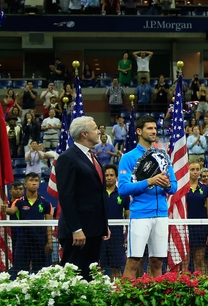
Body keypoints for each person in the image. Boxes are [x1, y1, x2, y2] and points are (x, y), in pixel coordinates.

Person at [118, 115, 178, 279]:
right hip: (140, 215)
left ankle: (156, 294)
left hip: (161, 215)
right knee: (134, 262)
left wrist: (167, 185)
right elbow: (123, 189)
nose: (154, 131)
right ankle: (125, 295)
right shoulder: (128, 157)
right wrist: (149, 181)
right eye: (149, 128)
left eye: (155, 128)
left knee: (157, 262)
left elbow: (174, 187)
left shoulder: (164, 156)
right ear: (139, 131)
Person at [55, 116, 110, 280]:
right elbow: (66, 197)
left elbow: (96, 194)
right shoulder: (67, 158)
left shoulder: (93, 157)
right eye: (95, 129)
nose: (99, 131)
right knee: (73, 279)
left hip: (94, 230)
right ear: (84, 134)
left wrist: (103, 224)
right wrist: (76, 229)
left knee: (90, 278)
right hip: (78, 233)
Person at [3, 173, 53, 278]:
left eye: (36, 181)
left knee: (41, 273)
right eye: (31, 180)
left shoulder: (46, 203)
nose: (34, 183)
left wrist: (49, 242)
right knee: (20, 273)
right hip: (23, 241)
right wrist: (5, 209)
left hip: (40, 241)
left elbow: (49, 224)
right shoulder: (19, 202)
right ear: (25, 184)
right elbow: (11, 211)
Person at [100, 164, 130, 279]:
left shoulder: (123, 194)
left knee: (116, 268)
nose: (109, 177)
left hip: (117, 236)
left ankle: (117, 288)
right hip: (100, 234)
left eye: (111, 175)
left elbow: (127, 214)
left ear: (116, 177)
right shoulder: (98, 193)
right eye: (106, 175)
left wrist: (128, 234)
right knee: (99, 268)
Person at [183, 161, 208, 274]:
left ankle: (199, 283)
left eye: (197, 169)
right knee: (185, 261)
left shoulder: (206, 189)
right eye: (192, 170)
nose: (195, 172)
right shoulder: (182, 188)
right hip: (185, 228)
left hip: (201, 228)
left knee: (199, 261)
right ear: (188, 171)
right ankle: (184, 282)